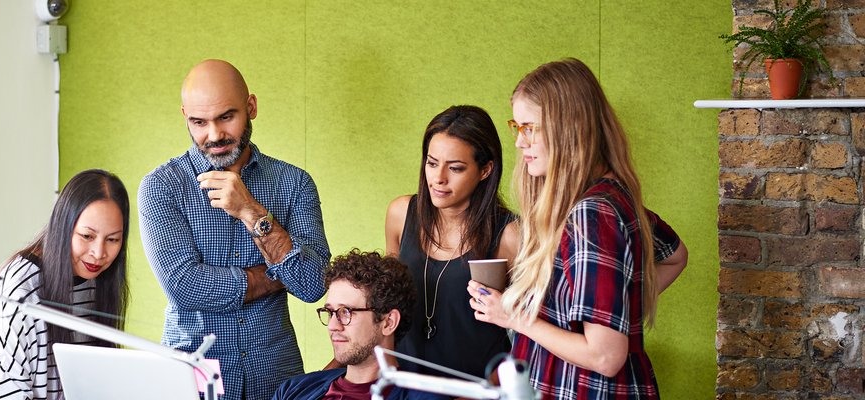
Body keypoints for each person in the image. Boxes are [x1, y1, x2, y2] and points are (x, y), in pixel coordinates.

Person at [467, 58, 689, 399]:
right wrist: (618, 311)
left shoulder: (592, 214)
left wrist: (512, 317)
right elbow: (676, 255)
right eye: (517, 127)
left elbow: (605, 357)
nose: (519, 142)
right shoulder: (606, 198)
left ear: (567, 128)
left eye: (529, 128)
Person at [139, 59, 331, 400]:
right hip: (190, 381)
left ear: (251, 107)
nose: (214, 135)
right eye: (199, 122)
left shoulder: (295, 183)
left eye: (227, 117)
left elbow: (313, 283)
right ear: (185, 116)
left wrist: (251, 211)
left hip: (276, 379)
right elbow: (184, 286)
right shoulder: (162, 187)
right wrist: (274, 274)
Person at [0, 169, 130, 400]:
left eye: (112, 239)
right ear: (63, 227)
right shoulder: (18, 293)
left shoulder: (96, 281)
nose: (99, 253)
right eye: (87, 236)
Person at [382, 105, 520, 379]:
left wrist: (488, 391)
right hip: (406, 386)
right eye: (432, 163)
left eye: (455, 168)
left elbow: (530, 336)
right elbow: (385, 305)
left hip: (477, 389)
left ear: (485, 170)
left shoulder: (511, 234)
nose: (438, 178)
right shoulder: (400, 214)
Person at [272, 250, 451, 400]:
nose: (332, 326)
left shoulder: (422, 397)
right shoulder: (293, 390)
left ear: (388, 322)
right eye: (330, 312)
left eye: (346, 312)